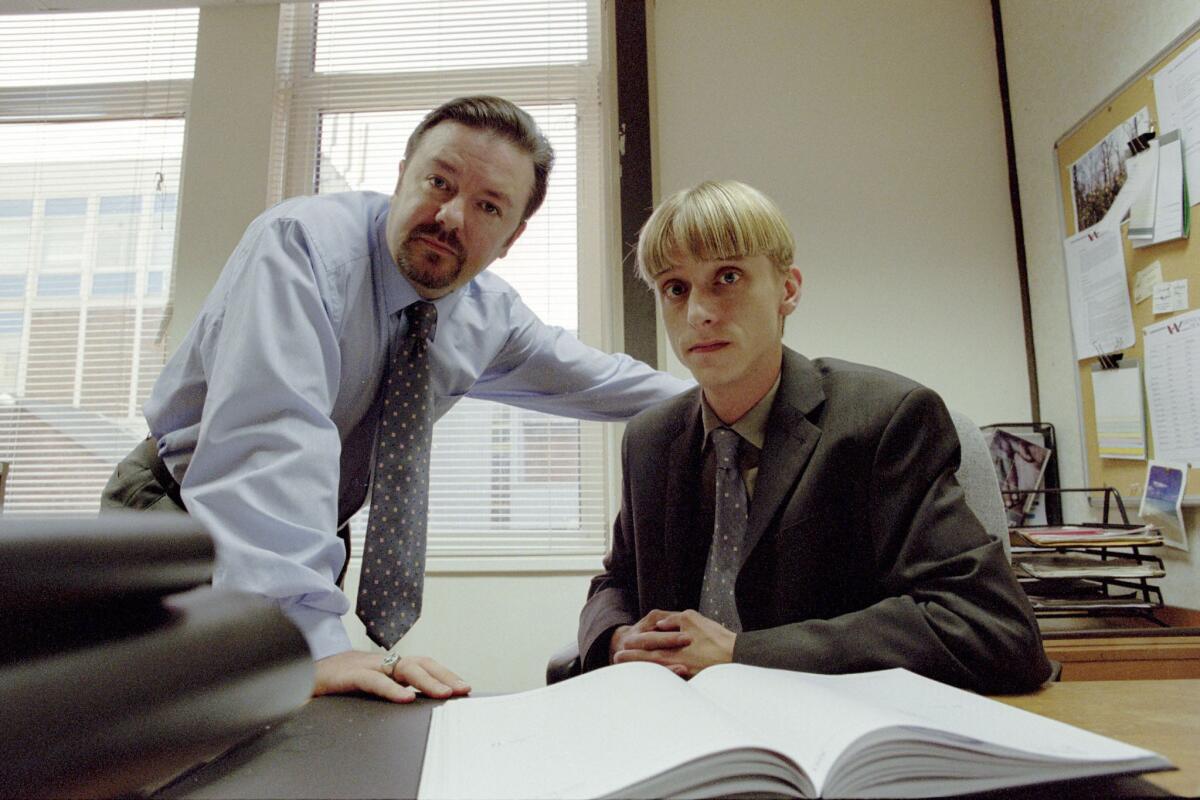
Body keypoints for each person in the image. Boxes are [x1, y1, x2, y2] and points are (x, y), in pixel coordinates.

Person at [102, 96, 689, 703]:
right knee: (143, 745)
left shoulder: (489, 318)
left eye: (488, 206)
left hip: (301, 539)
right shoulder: (300, 249)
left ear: (511, 238)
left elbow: (603, 381)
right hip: (176, 519)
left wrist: (740, 388)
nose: (452, 216)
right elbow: (266, 453)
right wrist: (316, 647)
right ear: (402, 175)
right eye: (439, 182)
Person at [576, 180, 1051, 693]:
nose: (698, 313)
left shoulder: (885, 419)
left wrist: (742, 653)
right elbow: (617, 582)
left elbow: (992, 629)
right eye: (676, 288)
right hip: (687, 726)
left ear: (788, 290)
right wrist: (618, 637)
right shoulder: (651, 438)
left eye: (727, 277)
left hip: (836, 725)